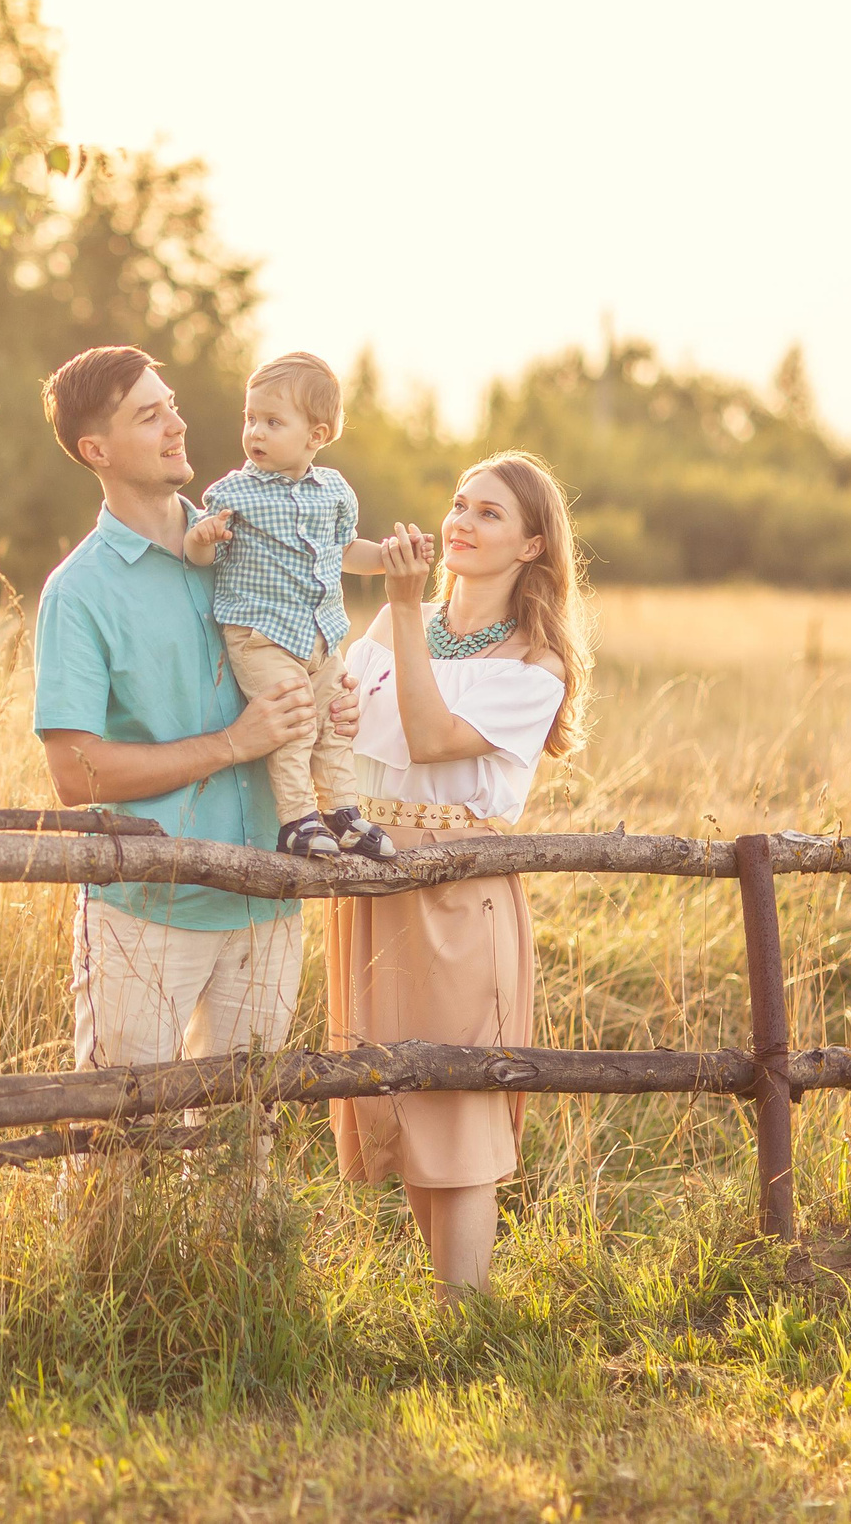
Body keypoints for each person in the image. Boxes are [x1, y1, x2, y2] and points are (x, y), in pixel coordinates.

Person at [31, 345, 355, 1082]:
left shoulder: (247, 534)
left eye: (171, 404)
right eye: (151, 415)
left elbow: (311, 650)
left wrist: (331, 701)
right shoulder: (78, 592)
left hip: (270, 901)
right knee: (116, 1146)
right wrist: (233, 744)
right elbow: (73, 773)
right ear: (97, 449)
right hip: (146, 912)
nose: (178, 424)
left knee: (244, 1146)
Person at [328, 450, 592, 1296]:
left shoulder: (533, 665)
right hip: (371, 878)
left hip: (456, 885)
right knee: (400, 1093)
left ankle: (465, 1315)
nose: (460, 523)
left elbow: (434, 737)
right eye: (458, 504)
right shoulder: (390, 627)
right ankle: (453, 1309)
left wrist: (405, 612)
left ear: (531, 546)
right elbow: (351, 725)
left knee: (462, 1100)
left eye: (488, 514)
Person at [184, 351, 400, 861]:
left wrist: (390, 558)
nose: (255, 432)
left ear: (316, 436)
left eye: (272, 422)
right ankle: (298, 820)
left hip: (321, 638)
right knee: (294, 719)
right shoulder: (234, 490)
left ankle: (344, 814)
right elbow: (197, 553)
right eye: (251, 418)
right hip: (260, 634)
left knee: (332, 722)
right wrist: (205, 536)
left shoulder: (334, 492)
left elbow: (348, 552)